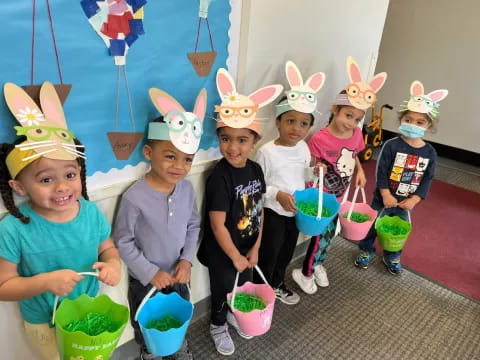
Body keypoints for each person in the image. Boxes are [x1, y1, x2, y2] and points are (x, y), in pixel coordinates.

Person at [0, 82, 121, 360]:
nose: (62, 187)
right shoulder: (13, 229)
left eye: (69, 175)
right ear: (19, 187)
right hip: (44, 323)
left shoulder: (89, 212)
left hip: (88, 314)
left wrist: (114, 264)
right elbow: (3, 287)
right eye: (46, 179)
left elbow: (108, 248)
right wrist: (45, 282)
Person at [114, 88, 207, 360]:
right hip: (146, 280)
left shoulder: (186, 189)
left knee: (178, 316)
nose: (179, 166)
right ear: (148, 152)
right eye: (169, 156)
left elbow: (193, 226)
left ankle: (179, 346)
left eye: (187, 159)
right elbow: (123, 241)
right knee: (148, 323)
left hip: (179, 273)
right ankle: (150, 352)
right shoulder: (134, 197)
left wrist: (187, 260)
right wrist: (149, 272)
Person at [197, 68, 282, 356]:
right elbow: (218, 225)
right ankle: (217, 324)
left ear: (254, 141)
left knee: (241, 287)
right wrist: (234, 256)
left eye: (241, 140)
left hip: (248, 247)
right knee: (223, 290)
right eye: (226, 139)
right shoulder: (219, 177)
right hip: (224, 252)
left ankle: (232, 314)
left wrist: (255, 248)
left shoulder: (256, 169)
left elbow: (259, 211)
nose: (232, 147)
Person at [292, 56, 387, 294]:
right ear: (335, 109)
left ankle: (319, 264)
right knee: (319, 236)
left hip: (340, 196)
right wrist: (318, 167)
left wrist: (360, 170)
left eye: (357, 119)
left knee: (331, 234)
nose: (351, 123)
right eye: (348, 116)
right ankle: (305, 272)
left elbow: (353, 154)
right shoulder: (320, 138)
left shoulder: (356, 134)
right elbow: (310, 165)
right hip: (322, 197)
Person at [354, 80, 447, 274]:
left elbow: (428, 178)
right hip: (384, 198)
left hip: (406, 202)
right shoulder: (391, 145)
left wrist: (415, 199)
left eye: (420, 122)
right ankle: (366, 249)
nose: (413, 125)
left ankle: (392, 255)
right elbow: (381, 172)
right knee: (373, 225)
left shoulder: (430, 152)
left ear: (428, 126)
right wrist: (386, 194)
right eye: (408, 120)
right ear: (401, 120)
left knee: (398, 230)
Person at [254, 61, 325, 305]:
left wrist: (314, 172)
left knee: (285, 252)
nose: (296, 128)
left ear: (310, 126)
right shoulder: (266, 152)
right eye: (290, 121)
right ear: (278, 122)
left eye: (304, 123)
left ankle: (277, 283)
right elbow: (258, 187)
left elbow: (302, 177)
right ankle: (262, 288)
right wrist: (277, 195)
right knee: (269, 252)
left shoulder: (304, 147)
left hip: (295, 211)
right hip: (273, 212)